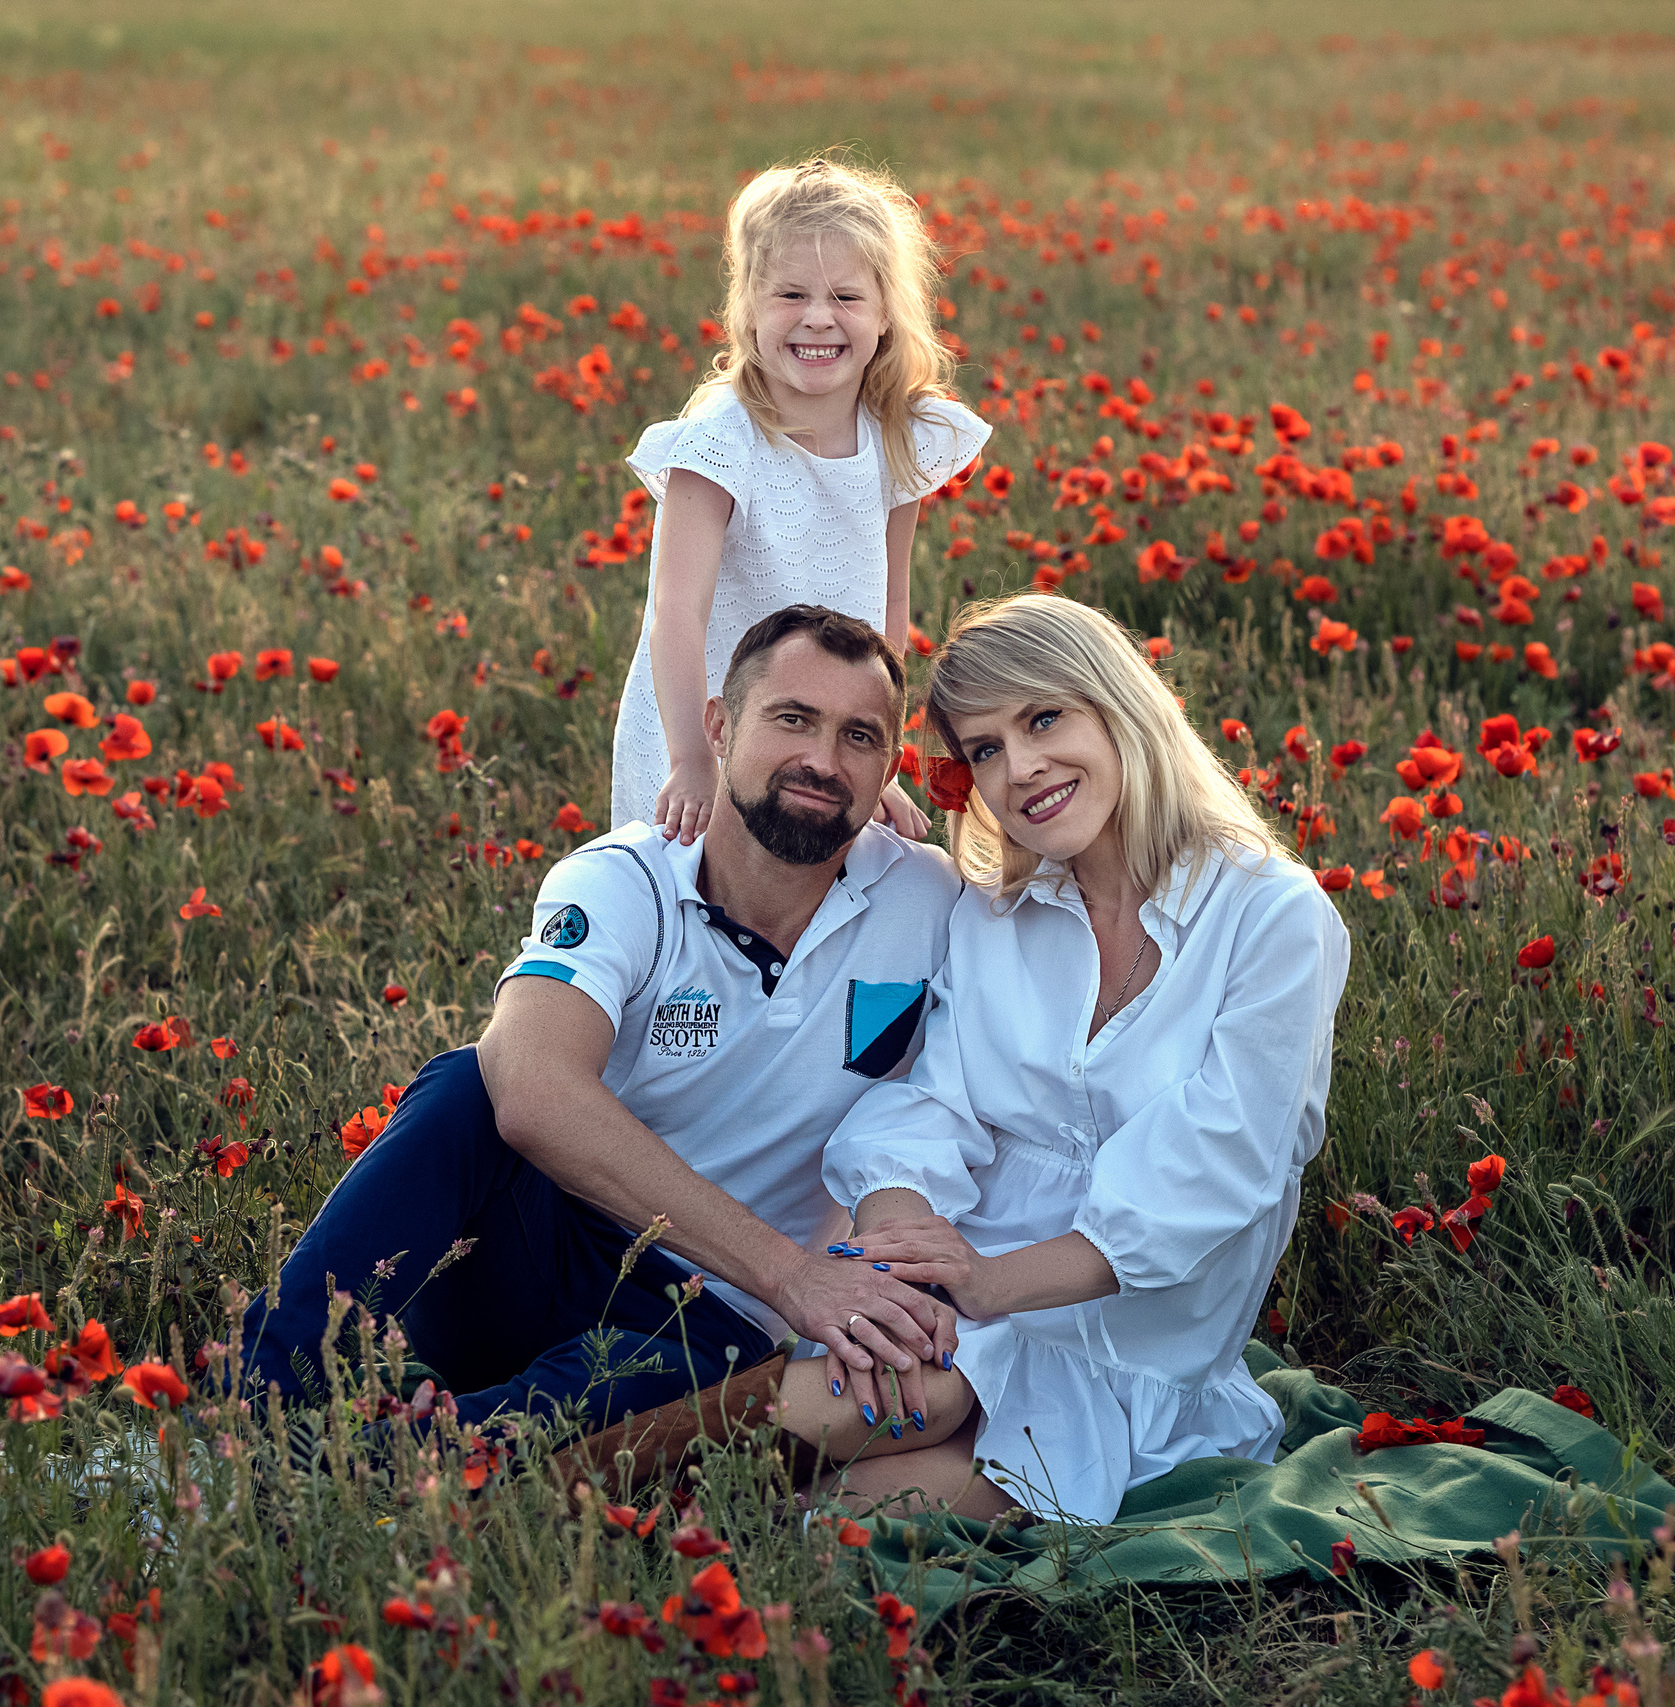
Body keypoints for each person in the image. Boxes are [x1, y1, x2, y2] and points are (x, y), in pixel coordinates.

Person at [238, 606, 964, 1438]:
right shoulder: (628, 879)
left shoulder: (928, 900)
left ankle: (389, 1462)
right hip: (545, 1252)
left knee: (652, 1387)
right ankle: (255, 1403)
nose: (821, 760)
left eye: (859, 737)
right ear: (719, 728)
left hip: (714, 1323)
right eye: (792, 718)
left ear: (889, 770)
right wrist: (793, 1274)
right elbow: (533, 1090)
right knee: (472, 1083)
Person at [759, 593, 1351, 1521]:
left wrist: (988, 1282)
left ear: (1120, 706)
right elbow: (927, 1102)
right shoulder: (995, 913)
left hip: (1128, 1350)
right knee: (898, 1391)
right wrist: (905, 1258)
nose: (1021, 768)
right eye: (985, 749)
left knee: (833, 1519)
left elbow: (1216, 1169)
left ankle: (609, 1493)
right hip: (959, 1295)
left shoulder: (1272, 916)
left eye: (1043, 718)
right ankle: (570, 1471)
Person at [611, 153, 989, 846]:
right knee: (695, 894)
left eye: (845, 298)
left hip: (827, 734)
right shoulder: (721, 443)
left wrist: (884, 764)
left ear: (884, 318)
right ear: (749, 311)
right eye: (790, 296)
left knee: (808, 890)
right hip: (708, 725)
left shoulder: (897, 438)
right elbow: (677, 612)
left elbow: (889, 614)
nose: (818, 319)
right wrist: (693, 759)